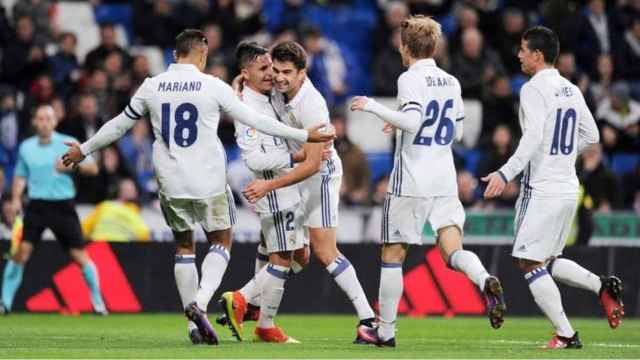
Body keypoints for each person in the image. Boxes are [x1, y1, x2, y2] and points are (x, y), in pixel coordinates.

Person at [62, 29, 334, 346]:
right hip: (208, 180)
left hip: (170, 181)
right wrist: (304, 137)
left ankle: (192, 325)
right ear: (202, 55)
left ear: (174, 54)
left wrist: (85, 148)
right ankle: (201, 302)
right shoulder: (211, 85)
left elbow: (120, 124)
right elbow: (257, 120)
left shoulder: (151, 86)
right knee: (221, 242)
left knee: (184, 247)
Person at [349, 15, 506, 347]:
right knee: (452, 249)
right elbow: (460, 131)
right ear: (434, 46)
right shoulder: (451, 81)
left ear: (405, 48)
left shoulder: (409, 78)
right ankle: (484, 278)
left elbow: (414, 121)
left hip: (412, 180)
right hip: (444, 177)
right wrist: (405, 122)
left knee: (393, 254)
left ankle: (386, 331)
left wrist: (376, 108)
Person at [482, 26, 625, 349]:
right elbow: (593, 137)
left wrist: (505, 173)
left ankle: (565, 334)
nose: (518, 55)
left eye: (522, 50)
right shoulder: (571, 89)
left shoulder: (533, 89)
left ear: (537, 55)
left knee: (529, 262)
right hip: (567, 187)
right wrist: (562, 155)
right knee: (548, 260)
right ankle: (601, 285)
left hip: (542, 188)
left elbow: (532, 139)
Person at [241, 40, 377, 343]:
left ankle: (368, 319)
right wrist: (240, 82)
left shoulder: (311, 104)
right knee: (292, 253)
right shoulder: (277, 88)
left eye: (287, 72)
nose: (279, 77)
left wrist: (268, 185)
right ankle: (251, 306)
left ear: (302, 73)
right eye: (276, 70)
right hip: (295, 175)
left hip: (320, 177)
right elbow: (252, 83)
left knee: (324, 250)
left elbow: (314, 164)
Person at [218, 41, 316, 343]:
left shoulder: (267, 93)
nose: (272, 75)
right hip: (272, 187)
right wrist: (298, 157)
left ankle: (250, 304)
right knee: (283, 259)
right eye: (264, 69)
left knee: (300, 255)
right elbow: (254, 159)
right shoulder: (245, 108)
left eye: (271, 67)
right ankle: (261, 320)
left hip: (288, 185)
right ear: (245, 73)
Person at [0, 105, 106, 315]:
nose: (44, 122)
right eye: (40, 119)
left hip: (63, 206)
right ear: (34, 122)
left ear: (55, 122)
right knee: (21, 253)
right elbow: (21, 176)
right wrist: (15, 199)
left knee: (79, 256)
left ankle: (98, 302)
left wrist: (74, 166)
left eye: (48, 118)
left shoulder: (66, 143)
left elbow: (93, 168)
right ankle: (5, 303)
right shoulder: (26, 147)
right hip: (37, 206)